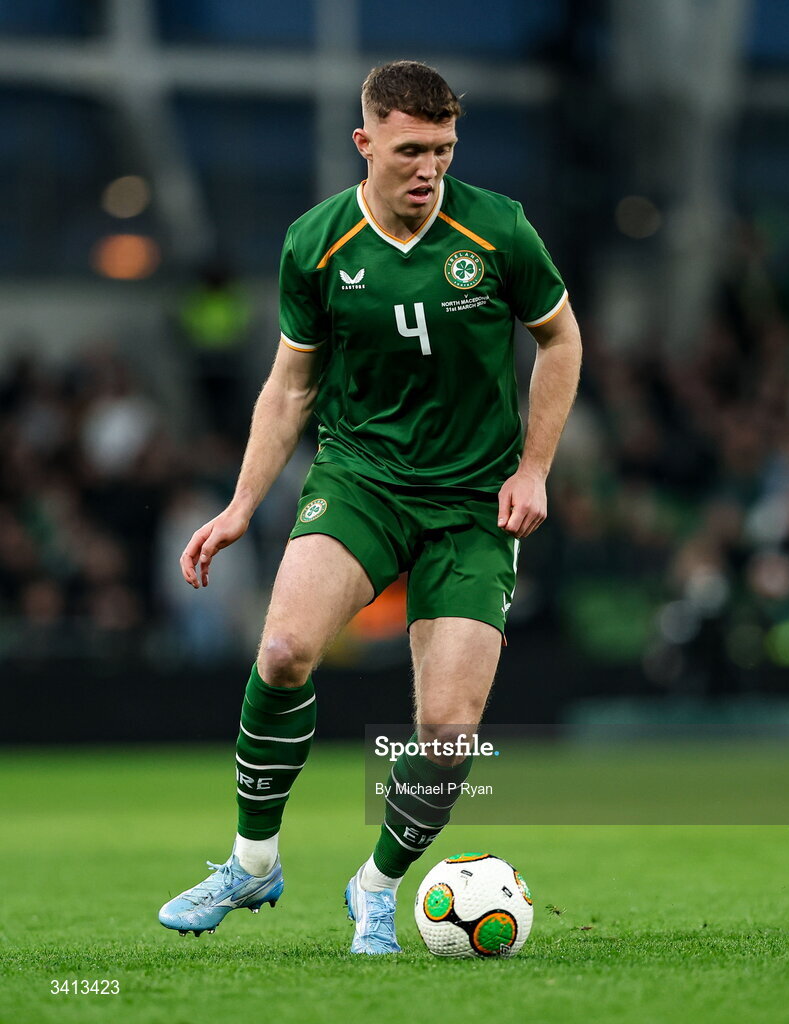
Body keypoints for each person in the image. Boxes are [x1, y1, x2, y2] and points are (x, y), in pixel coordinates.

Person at [158, 60, 582, 954]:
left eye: (444, 149)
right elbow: (291, 385)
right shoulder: (316, 242)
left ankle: (377, 886)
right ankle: (253, 861)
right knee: (282, 651)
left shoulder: (497, 228)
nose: (429, 168)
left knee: (449, 732)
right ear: (365, 142)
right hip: (361, 480)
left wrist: (534, 469)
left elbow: (560, 339)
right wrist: (241, 504)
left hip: (471, 500)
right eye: (410, 150)